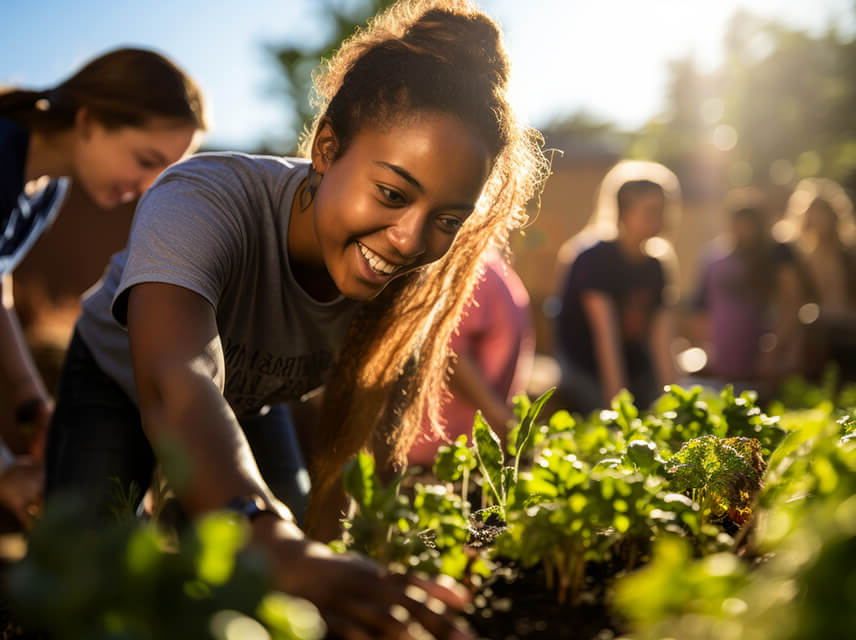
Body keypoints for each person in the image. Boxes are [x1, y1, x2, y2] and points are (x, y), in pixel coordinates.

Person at [44, 1, 550, 637]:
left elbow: (360, 463)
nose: (410, 240)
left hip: (251, 403)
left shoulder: (412, 283)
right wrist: (269, 540)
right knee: (88, 578)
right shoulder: (201, 201)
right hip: (118, 384)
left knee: (300, 567)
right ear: (327, 147)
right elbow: (178, 386)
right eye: (392, 193)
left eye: (448, 219)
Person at [0, 47, 205, 628]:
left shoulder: (43, 182)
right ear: (87, 120)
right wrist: (0, 472)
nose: (144, 188)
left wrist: (32, 405)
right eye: (144, 159)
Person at [554, 161, 680, 415]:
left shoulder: (656, 266)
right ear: (623, 212)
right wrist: (618, 410)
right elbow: (606, 337)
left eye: (662, 210)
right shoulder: (594, 258)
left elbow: (661, 340)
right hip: (585, 366)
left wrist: (677, 401)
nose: (660, 219)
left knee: (655, 404)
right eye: (650, 211)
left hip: (633, 365)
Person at [407, 249, 534, 468]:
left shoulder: (490, 266)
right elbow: (447, 352)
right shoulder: (475, 269)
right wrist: (500, 418)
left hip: (465, 449)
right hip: (443, 452)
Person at [689, 189, 805, 393]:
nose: (744, 232)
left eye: (749, 225)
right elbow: (700, 309)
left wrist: (775, 348)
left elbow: (792, 303)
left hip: (766, 355)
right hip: (725, 356)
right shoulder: (715, 259)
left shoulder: (776, 255)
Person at [776, 177, 856, 380]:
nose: (819, 219)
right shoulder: (800, 257)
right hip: (817, 334)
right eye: (814, 213)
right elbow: (793, 301)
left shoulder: (848, 254)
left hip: (848, 329)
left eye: (823, 213)